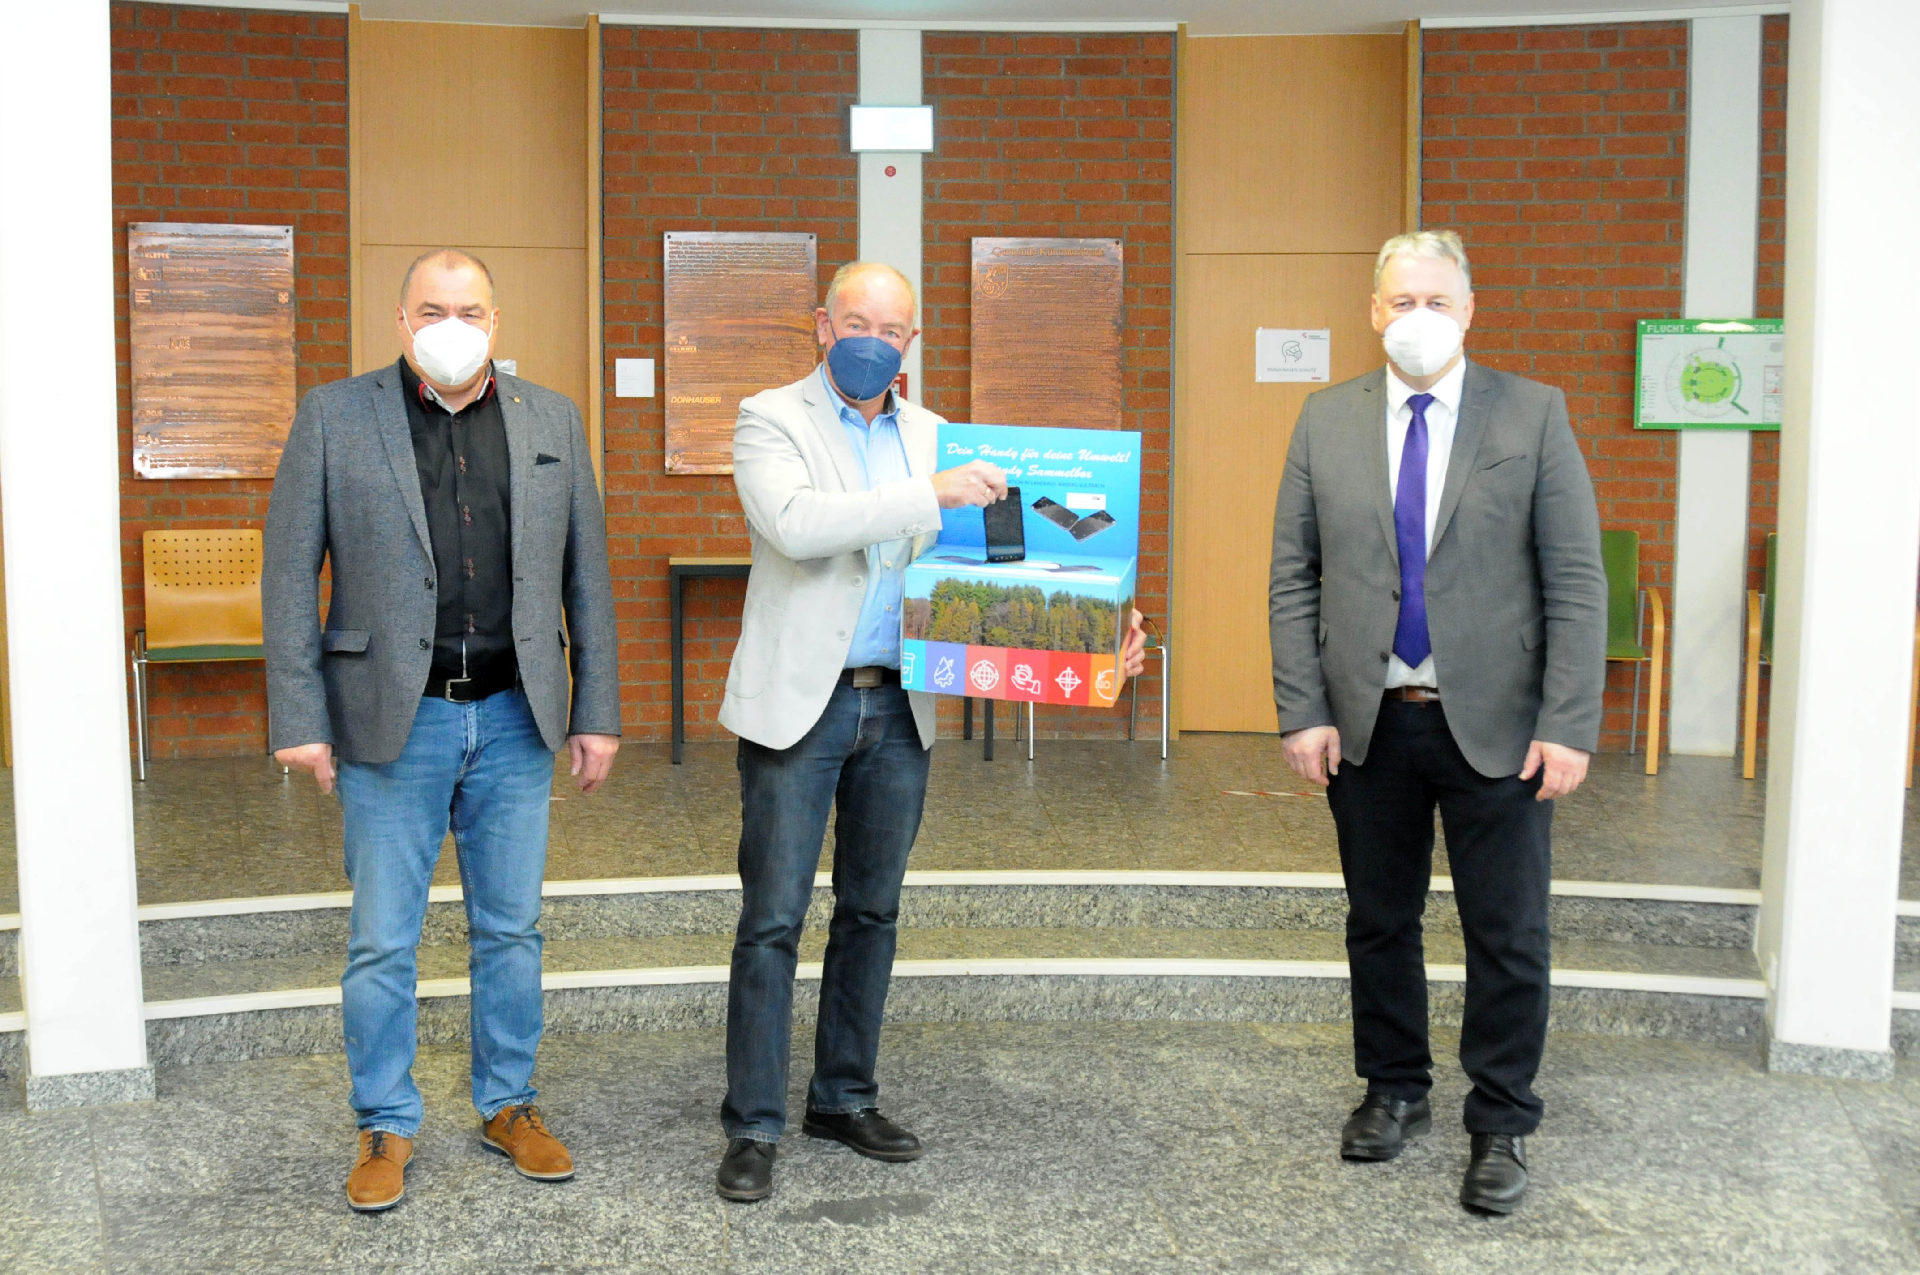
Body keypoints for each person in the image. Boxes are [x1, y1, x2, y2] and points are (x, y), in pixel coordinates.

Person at [715, 260, 1146, 1202]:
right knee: (774, 918)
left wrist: (1096, 636)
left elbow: (1000, 570)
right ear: (822, 324)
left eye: (895, 328)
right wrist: (931, 494)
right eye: (857, 320)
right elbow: (794, 525)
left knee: (872, 910)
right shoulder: (769, 416)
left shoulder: (937, 434)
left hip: (899, 707)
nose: (875, 338)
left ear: (912, 341)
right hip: (803, 701)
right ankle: (752, 1122)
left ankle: (842, 1093)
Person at [263, 248, 622, 1213]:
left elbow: (586, 573)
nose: (452, 323)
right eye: (433, 307)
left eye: (470, 309)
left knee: (513, 929)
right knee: (384, 938)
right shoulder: (336, 417)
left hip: (515, 717)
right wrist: (299, 714)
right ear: (401, 319)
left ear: (496, 324)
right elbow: (290, 571)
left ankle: (509, 1104)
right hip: (394, 720)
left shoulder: (552, 419)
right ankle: (385, 1118)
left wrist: (597, 712)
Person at [1267, 230, 1605, 1214]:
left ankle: (1501, 1120)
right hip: (1371, 724)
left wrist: (1570, 723)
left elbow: (1575, 581)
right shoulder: (1325, 419)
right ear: (1373, 311)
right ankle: (1394, 1089)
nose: (1417, 317)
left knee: (1508, 933)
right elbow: (1294, 575)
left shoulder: (1532, 414)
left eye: (1436, 301)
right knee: (1379, 921)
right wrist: (1305, 709)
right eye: (1399, 300)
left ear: (1469, 310)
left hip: (1500, 727)